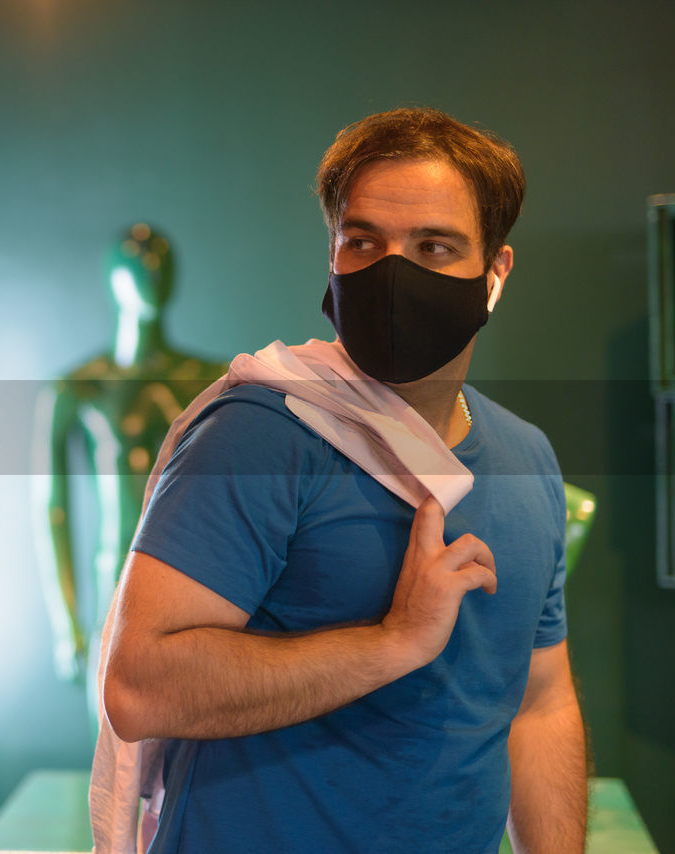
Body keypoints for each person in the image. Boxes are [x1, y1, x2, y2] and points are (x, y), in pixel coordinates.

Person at [98, 109, 587, 852]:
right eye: (363, 242)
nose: (393, 274)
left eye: (434, 246)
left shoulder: (528, 460)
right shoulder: (257, 433)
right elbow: (138, 687)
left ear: (494, 275)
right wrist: (393, 644)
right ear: (331, 254)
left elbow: (538, 704)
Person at [32, 224, 224, 727]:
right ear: (112, 279)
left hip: (200, 590)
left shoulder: (215, 380)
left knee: (190, 763)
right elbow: (51, 510)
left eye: (162, 265)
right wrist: (66, 621)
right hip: (113, 586)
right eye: (138, 266)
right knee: (115, 763)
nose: (152, 277)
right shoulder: (78, 389)